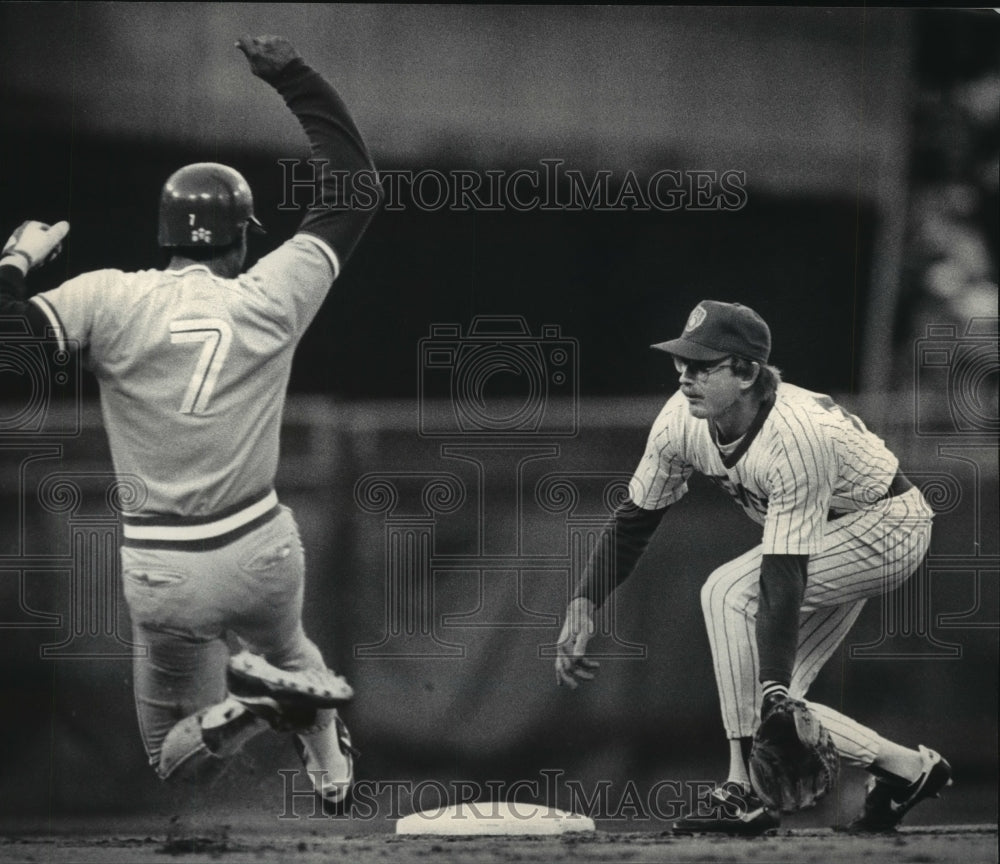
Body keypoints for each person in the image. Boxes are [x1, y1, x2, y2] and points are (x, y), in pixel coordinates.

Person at [0, 34, 382, 814]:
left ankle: (251, 708)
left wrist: (14, 261)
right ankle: (328, 764)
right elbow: (355, 187)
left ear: (165, 235)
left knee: (170, 759)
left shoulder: (105, 297)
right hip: (263, 547)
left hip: (164, 569)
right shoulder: (270, 293)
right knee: (290, 647)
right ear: (243, 239)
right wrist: (293, 76)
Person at [554, 300, 952, 834]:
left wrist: (770, 691)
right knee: (784, 709)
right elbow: (636, 518)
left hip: (887, 527)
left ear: (745, 372)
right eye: (680, 363)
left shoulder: (796, 434)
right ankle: (908, 769)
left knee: (728, 592)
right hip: (829, 536)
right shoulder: (680, 421)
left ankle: (741, 790)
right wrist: (584, 601)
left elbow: (783, 571)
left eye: (701, 366)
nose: (685, 377)